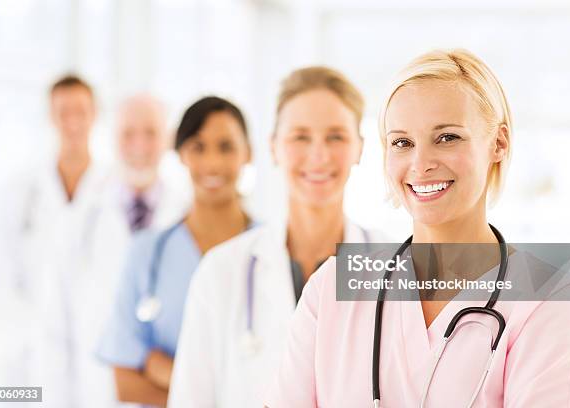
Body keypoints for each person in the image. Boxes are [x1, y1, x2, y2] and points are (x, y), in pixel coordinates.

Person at [265, 49, 570, 407]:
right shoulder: (331, 287)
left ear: (498, 143)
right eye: (402, 142)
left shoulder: (549, 300)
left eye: (447, 137)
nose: (421, 164)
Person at [167, 66, 384, 408]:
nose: (319, 155)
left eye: (336, 136)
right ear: (273, 148)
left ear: (359, 148)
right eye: (300, 136)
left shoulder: (399, 268)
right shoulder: (222, 270)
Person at [97, 96, 254, 407]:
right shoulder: (146, 253)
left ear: (248, 153)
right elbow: (126, 384)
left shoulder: (271, 248)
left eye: (226, 147)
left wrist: (163, 368)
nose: (212, 162)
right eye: (197, 147)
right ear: (180, 153)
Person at [52, 94, 188, 407]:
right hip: (94, 392)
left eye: (151, 133)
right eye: (128, 134)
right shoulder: (79, 219)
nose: (139, 144)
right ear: (112, 139)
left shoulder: (187, 214)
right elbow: (55, 328)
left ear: (168, 139)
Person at [0, 75, 110, 403]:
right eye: (62, 112)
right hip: (30, 354)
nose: (72, 121)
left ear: (95, 115)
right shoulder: (19, 190)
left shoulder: (114, 190)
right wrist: (25, 333)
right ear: (50, 117)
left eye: (80, 111)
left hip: (98, 357)